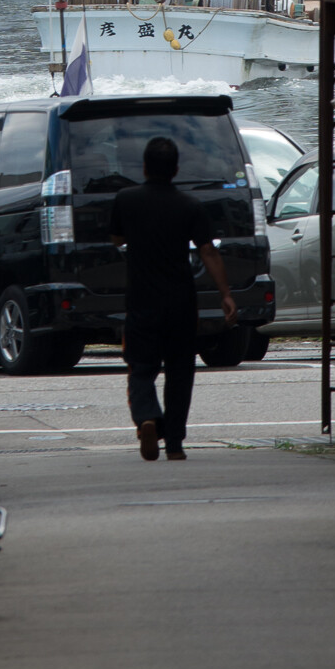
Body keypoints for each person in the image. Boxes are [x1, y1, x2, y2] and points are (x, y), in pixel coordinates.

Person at [111, 134, 238, 461]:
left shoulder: (126, 200)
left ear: (144, 167)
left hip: (141, 302)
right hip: (182, 304)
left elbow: (116, 238)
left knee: (141, 368)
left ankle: (148, 418)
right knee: (180, 372)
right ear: (176, 169)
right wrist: (225, 294)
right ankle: (176, 444)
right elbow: (208, 251)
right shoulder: (189, 205)